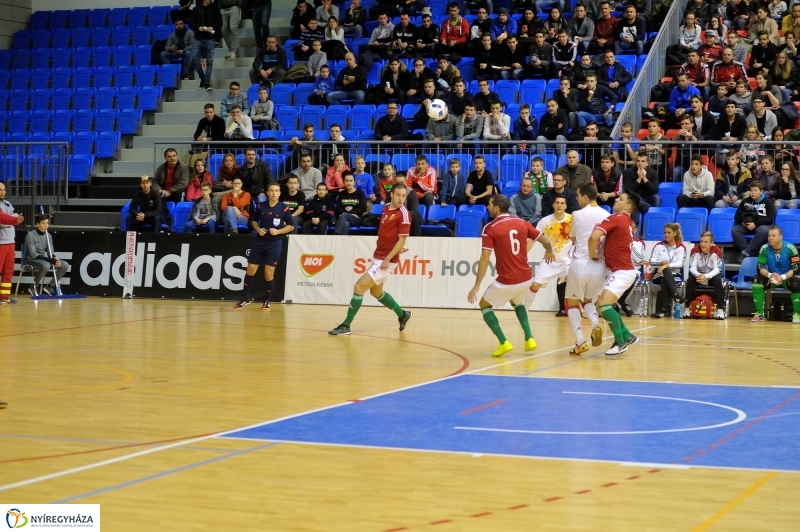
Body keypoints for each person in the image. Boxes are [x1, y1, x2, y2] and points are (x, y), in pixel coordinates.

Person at [468, 194, 555, 357]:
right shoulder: (523, 222)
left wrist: (477, 285)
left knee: (484, 305)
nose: (487, 207)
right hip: (526, 277)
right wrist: (549, 252)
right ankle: (529, 338)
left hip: (507, 280)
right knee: (517, 302)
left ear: (496, 208)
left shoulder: (490, 227)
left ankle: (503, 342)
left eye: (489, 204)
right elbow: (545, 241)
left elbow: (485, 258)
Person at [329, 183, 413, 335]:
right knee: (376, 293)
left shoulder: (404, 214)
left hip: (386, 260)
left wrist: (389, 257)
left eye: (403, 195)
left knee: (359, 287)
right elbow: (388, 233)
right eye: (398, 195)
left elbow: (402, 239)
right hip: (378, 255)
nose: (401, 198)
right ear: (392, 195)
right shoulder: (386, 207)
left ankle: (346, 325)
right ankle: (403, 315)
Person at [588, 190, 641, 355]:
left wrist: (592, 254)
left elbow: (594, 236)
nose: (616, 199)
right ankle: (627, 335)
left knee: (603, 304)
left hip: (622, 271)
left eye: (621, 198)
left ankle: (620, 343)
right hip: (621, 271)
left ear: (628, 206)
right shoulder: (627, 221)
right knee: (601, 305)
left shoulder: (616, 217)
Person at [564, 182, 610, 354]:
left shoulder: (577, 214)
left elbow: (574, 239)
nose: (576, 199)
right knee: (589, 301)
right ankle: (596, 324)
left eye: (577, 195)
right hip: (599, 265)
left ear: (585, 196)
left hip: (580, 263)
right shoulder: (607, 214)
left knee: (572, 303)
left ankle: (579, 341)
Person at [234, 182, 294, 311]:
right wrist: (258, 229)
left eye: (276, 191)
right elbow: (254, 221)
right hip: (259, 242)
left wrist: (277, 232)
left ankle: (267, 300)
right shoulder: (261, 206)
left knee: (268, 272)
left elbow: (291, 226)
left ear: (279, 193)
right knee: (250, 269)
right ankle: (245, 298)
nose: (273, 193)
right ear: (267, 192)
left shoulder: (284, 208)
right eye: (271, 190)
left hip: (275, 243)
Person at [524, 194, 572, 316]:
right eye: (557, 203)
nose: (559, 205)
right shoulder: (544, 221)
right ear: (553, 205)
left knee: (576, 285)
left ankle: (581, 310)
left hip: (568, 261)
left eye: (562, 203)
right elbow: (533, 239)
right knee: (535, 285)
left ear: (566, 206)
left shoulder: (572, 220)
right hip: (550, 261)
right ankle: (525, 309)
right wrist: (523, 255)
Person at [750, 225, 800, 322]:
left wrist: (782, 277)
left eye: (773, 235)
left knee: (796, 283)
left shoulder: (791, 248)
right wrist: (770, 275)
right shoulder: (764, 248)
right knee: (756, 281)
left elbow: (796, 268)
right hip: (772, 278)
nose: (770, 238)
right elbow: (760, 267)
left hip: (787, 278)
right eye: (769, 236)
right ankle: (759, 313)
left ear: (780, 237)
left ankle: (796, 313)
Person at [683, 231, 727, 320]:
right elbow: (692, 268)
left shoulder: (717, 251)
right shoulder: (695, 250)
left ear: (712, 243)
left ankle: (720, 310)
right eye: (701, 241)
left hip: (712, 275)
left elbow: (717, 269)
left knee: (718, 280)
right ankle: (687, 308)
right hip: (698, 275)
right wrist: (699, 275)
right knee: (690, 280)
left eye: (706, 242)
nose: (703, 244)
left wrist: (706, 277)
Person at [647, 222, 687, 319]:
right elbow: (651, 261)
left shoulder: (681, 247)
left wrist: (666, 266)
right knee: (664, 273)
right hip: (658, 274)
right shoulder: (658, 246)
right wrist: (660, 264)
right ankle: (676, 295)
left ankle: (664, 311)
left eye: (669, 232)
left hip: (675, 276)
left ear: (675, 233)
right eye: (665, 232)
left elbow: (680, 263)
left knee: (665, 278)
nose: (666, 235)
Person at [24, 214, 70, 297]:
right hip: (31, 259)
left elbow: (50, 253)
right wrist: (50, 260)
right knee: (46, 265)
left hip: (44, 259)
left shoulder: (48, 236)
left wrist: (54, 258)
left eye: (47, 223)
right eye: (43, 223)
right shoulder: (30, 236)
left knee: (64, 265)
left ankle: (50, 286)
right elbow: (34, 255)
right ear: (37, 224)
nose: (46, 225)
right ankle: (34, 286)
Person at [733, 180, 776, 262]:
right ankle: (749, 253)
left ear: (761, 191)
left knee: (762, 230)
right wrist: (743, 223)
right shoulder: (745, 201)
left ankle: (746, 253)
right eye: (751, 190)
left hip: (762, 225)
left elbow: (770, 218)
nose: (753, 193)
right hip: (746, 225)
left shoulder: (768, 202)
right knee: (735, 230)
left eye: (755, 190)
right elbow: (737, 216)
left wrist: (755, 224)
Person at [0, 182, 23, 304]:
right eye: (0, 190)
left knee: (8, 271)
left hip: (10, 242)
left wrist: (11, 219)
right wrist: (12, 219)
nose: (3, 192)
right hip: (1, 243)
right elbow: (3, 218)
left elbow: (10, 218)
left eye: (4, 189)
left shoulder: (8, 203)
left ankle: (4, 297)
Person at [191, 0, 222, 90]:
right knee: (194, 60)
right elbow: (191, 23)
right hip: (198, 38)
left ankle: (207, 82)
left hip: (210, 38)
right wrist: (198, 27)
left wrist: (212, 27)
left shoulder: (215, 9)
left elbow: (220, 22)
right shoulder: (196, 9)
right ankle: (203, 79)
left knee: (209, 61)